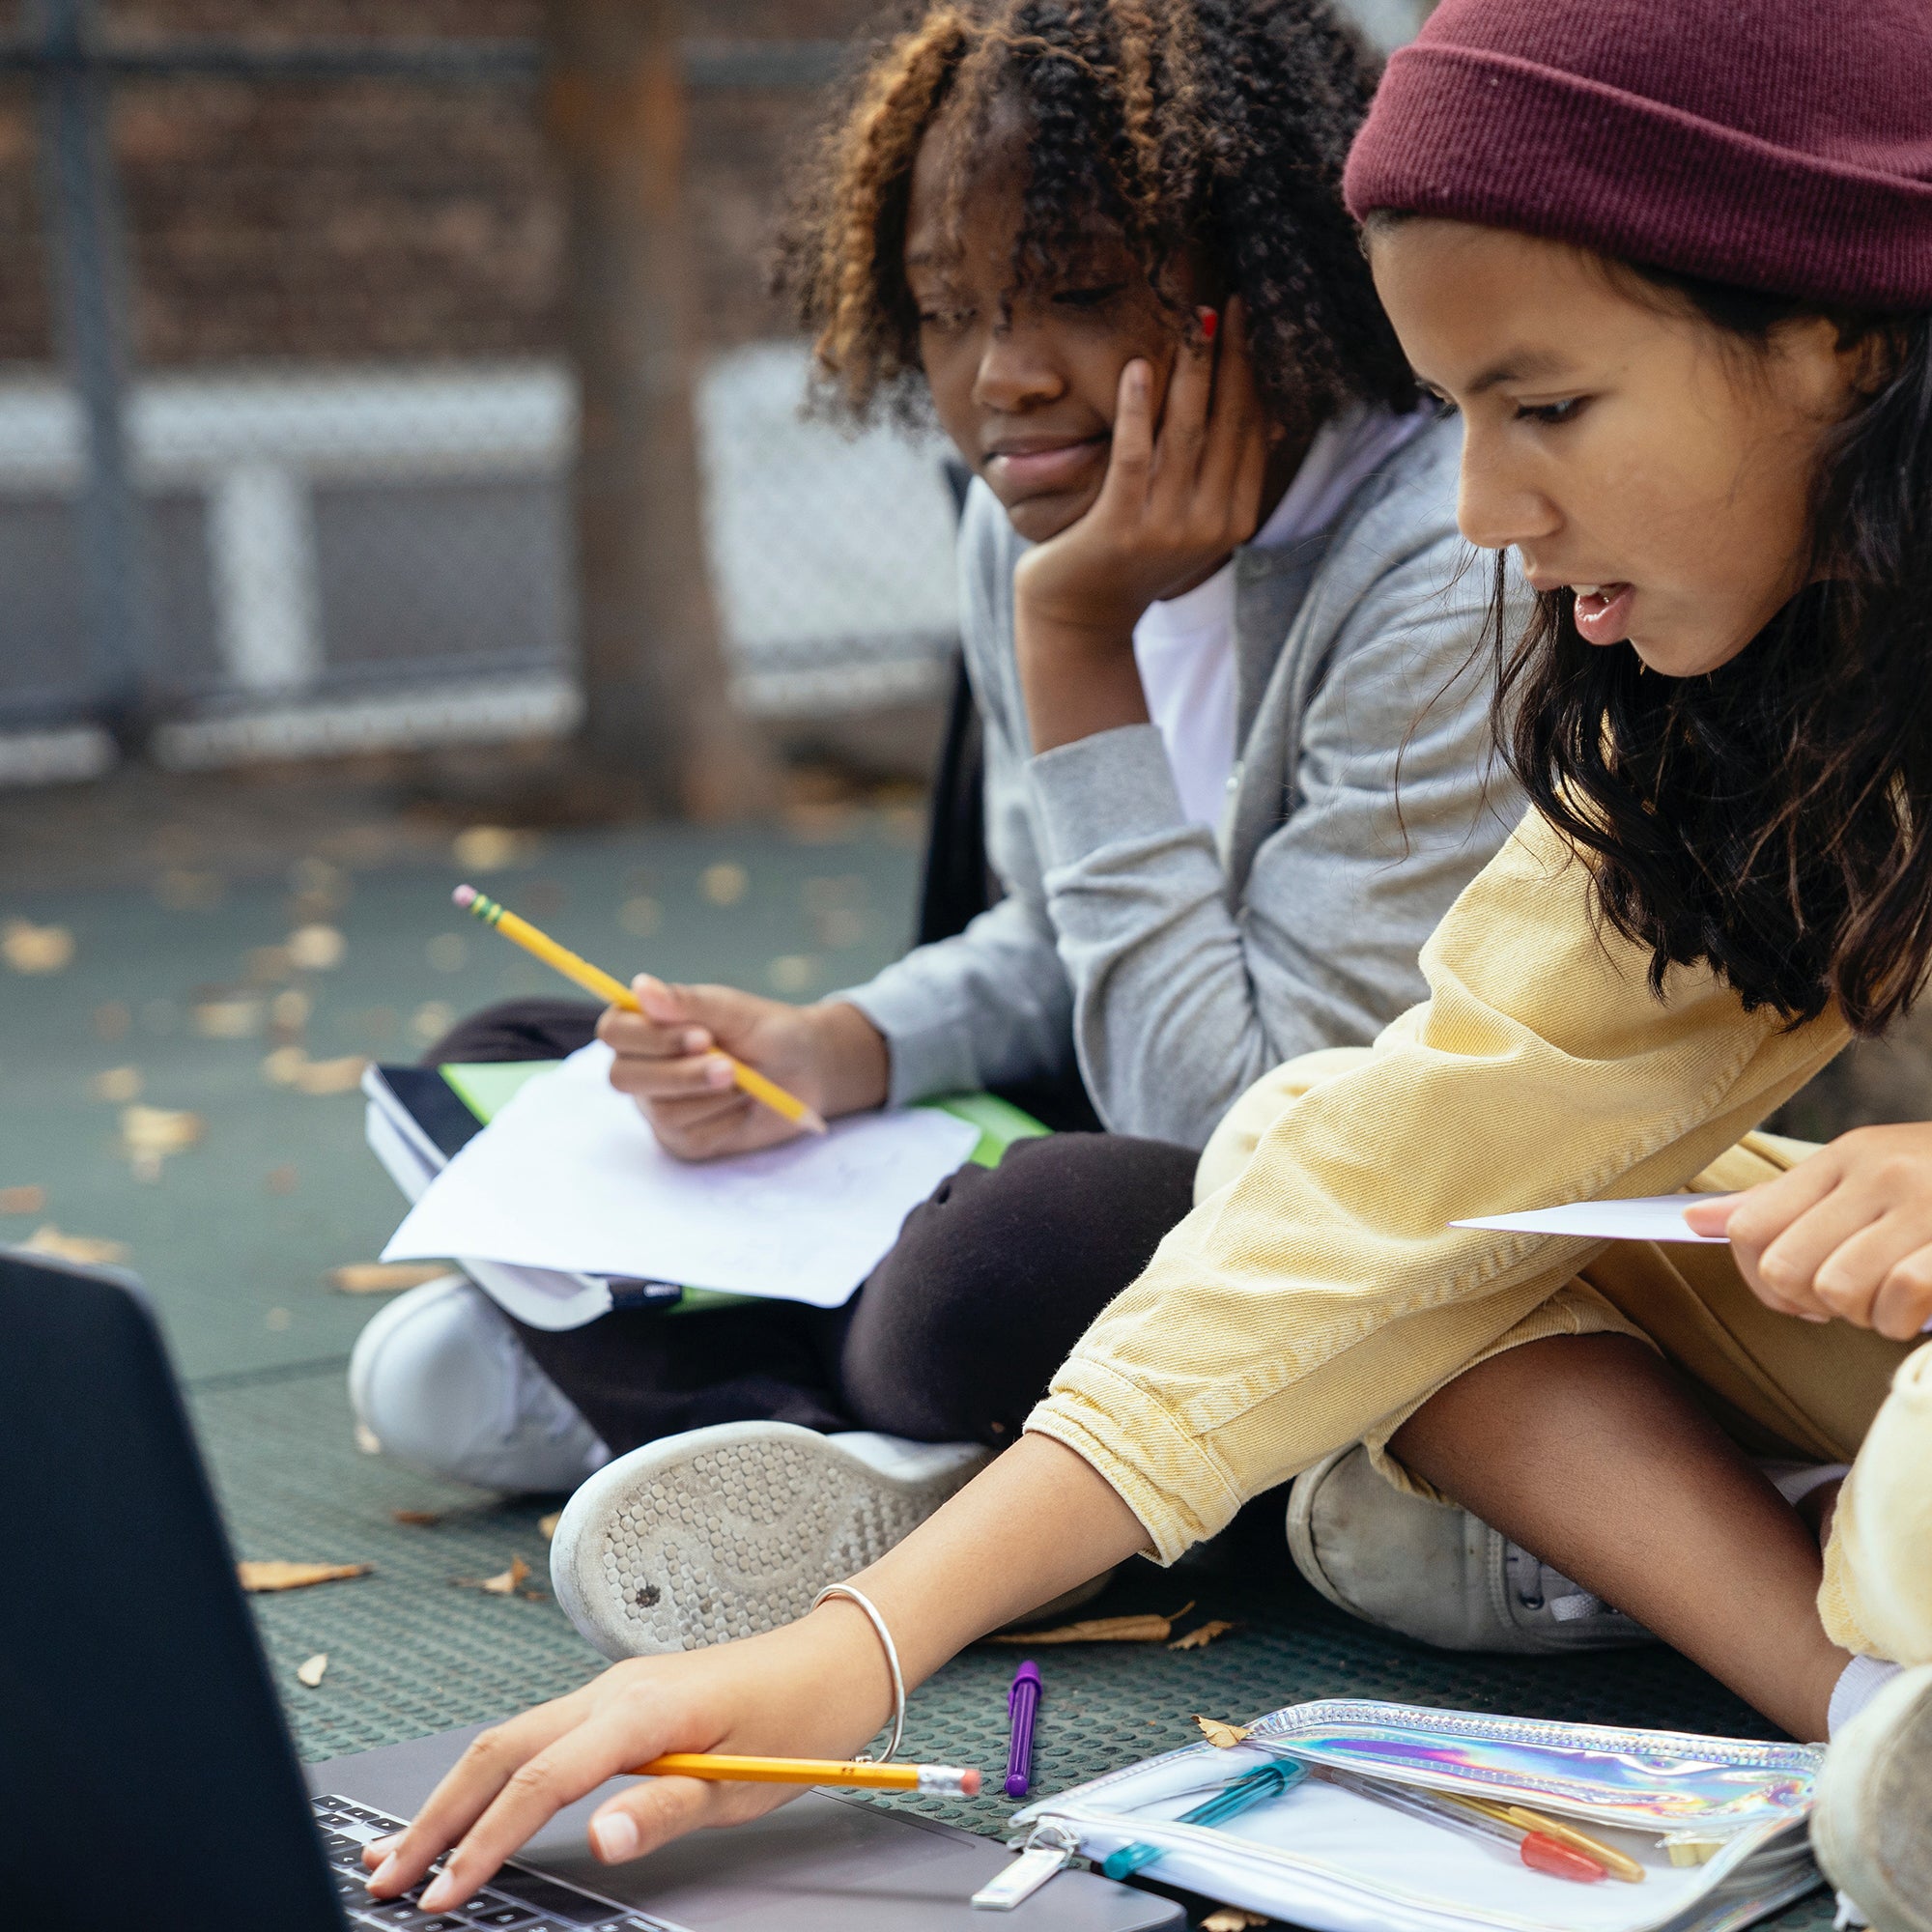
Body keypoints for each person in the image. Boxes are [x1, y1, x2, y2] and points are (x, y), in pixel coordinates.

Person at [356, 1, 1932, 1923]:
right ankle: (1866, 1714)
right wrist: (852, 1648)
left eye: (1545, 406)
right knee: (1344, 1170)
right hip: (1805, 1341)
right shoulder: (1727, 690)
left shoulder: (1459, 599)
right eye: (1457, 415)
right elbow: (1380, 1161)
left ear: (1837, 328)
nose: (1486, 516)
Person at [347, 0, 1517, 1646]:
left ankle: (709, 1383)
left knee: (1032, 1244)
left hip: (1298, 1219)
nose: (1001, 380)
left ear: (1271, 275)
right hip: (1107, 1138)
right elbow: (1051, 938)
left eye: (1082, 294)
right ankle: (844, 1428)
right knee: (534, 1053)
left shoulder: (1443, 565)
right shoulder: (1030, 500)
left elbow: (1254, 1136)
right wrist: (832, 1047)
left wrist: (1078, 645)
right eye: (948, 312)